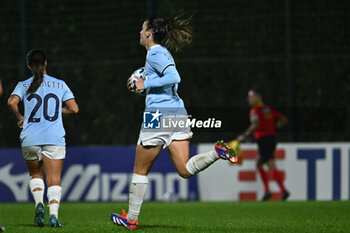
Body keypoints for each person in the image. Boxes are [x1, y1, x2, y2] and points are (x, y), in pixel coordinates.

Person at [110, 16, 238, 230]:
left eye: (142, 29)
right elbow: (165, 80)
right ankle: (217, 152)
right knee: (185, 170)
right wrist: (146, 86)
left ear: (149, 33)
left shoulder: (155, 52)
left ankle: (131, 219)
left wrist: (144, 83)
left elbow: (174, 76)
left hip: (157, 115)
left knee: (140, 170)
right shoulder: (160, 53)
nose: (140, 33)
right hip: (176, 113)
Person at [8, 49, 79, 227]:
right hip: (54, 137)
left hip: (30, 136)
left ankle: (39, 203)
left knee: (36, 174)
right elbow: (74, 109)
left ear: (29, 66)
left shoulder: (23, 85)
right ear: (46, 63)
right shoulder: (60, 84)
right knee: (54, 179)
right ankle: (53, 215)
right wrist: (58, 111)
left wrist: (20, 118)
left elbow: (11, 102)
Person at [236, 87, 289, 201]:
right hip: (270, 138)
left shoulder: (254, 111)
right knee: (259, 163)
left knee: (270, 163)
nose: (249, 99)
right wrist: (275, 127)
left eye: (251, 96)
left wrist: (244, 136)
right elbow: (283, 119)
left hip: (264, 140)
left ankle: (283, 191)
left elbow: (255, 125)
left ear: (259, 97)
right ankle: (267, 191)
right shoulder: (268, 109)